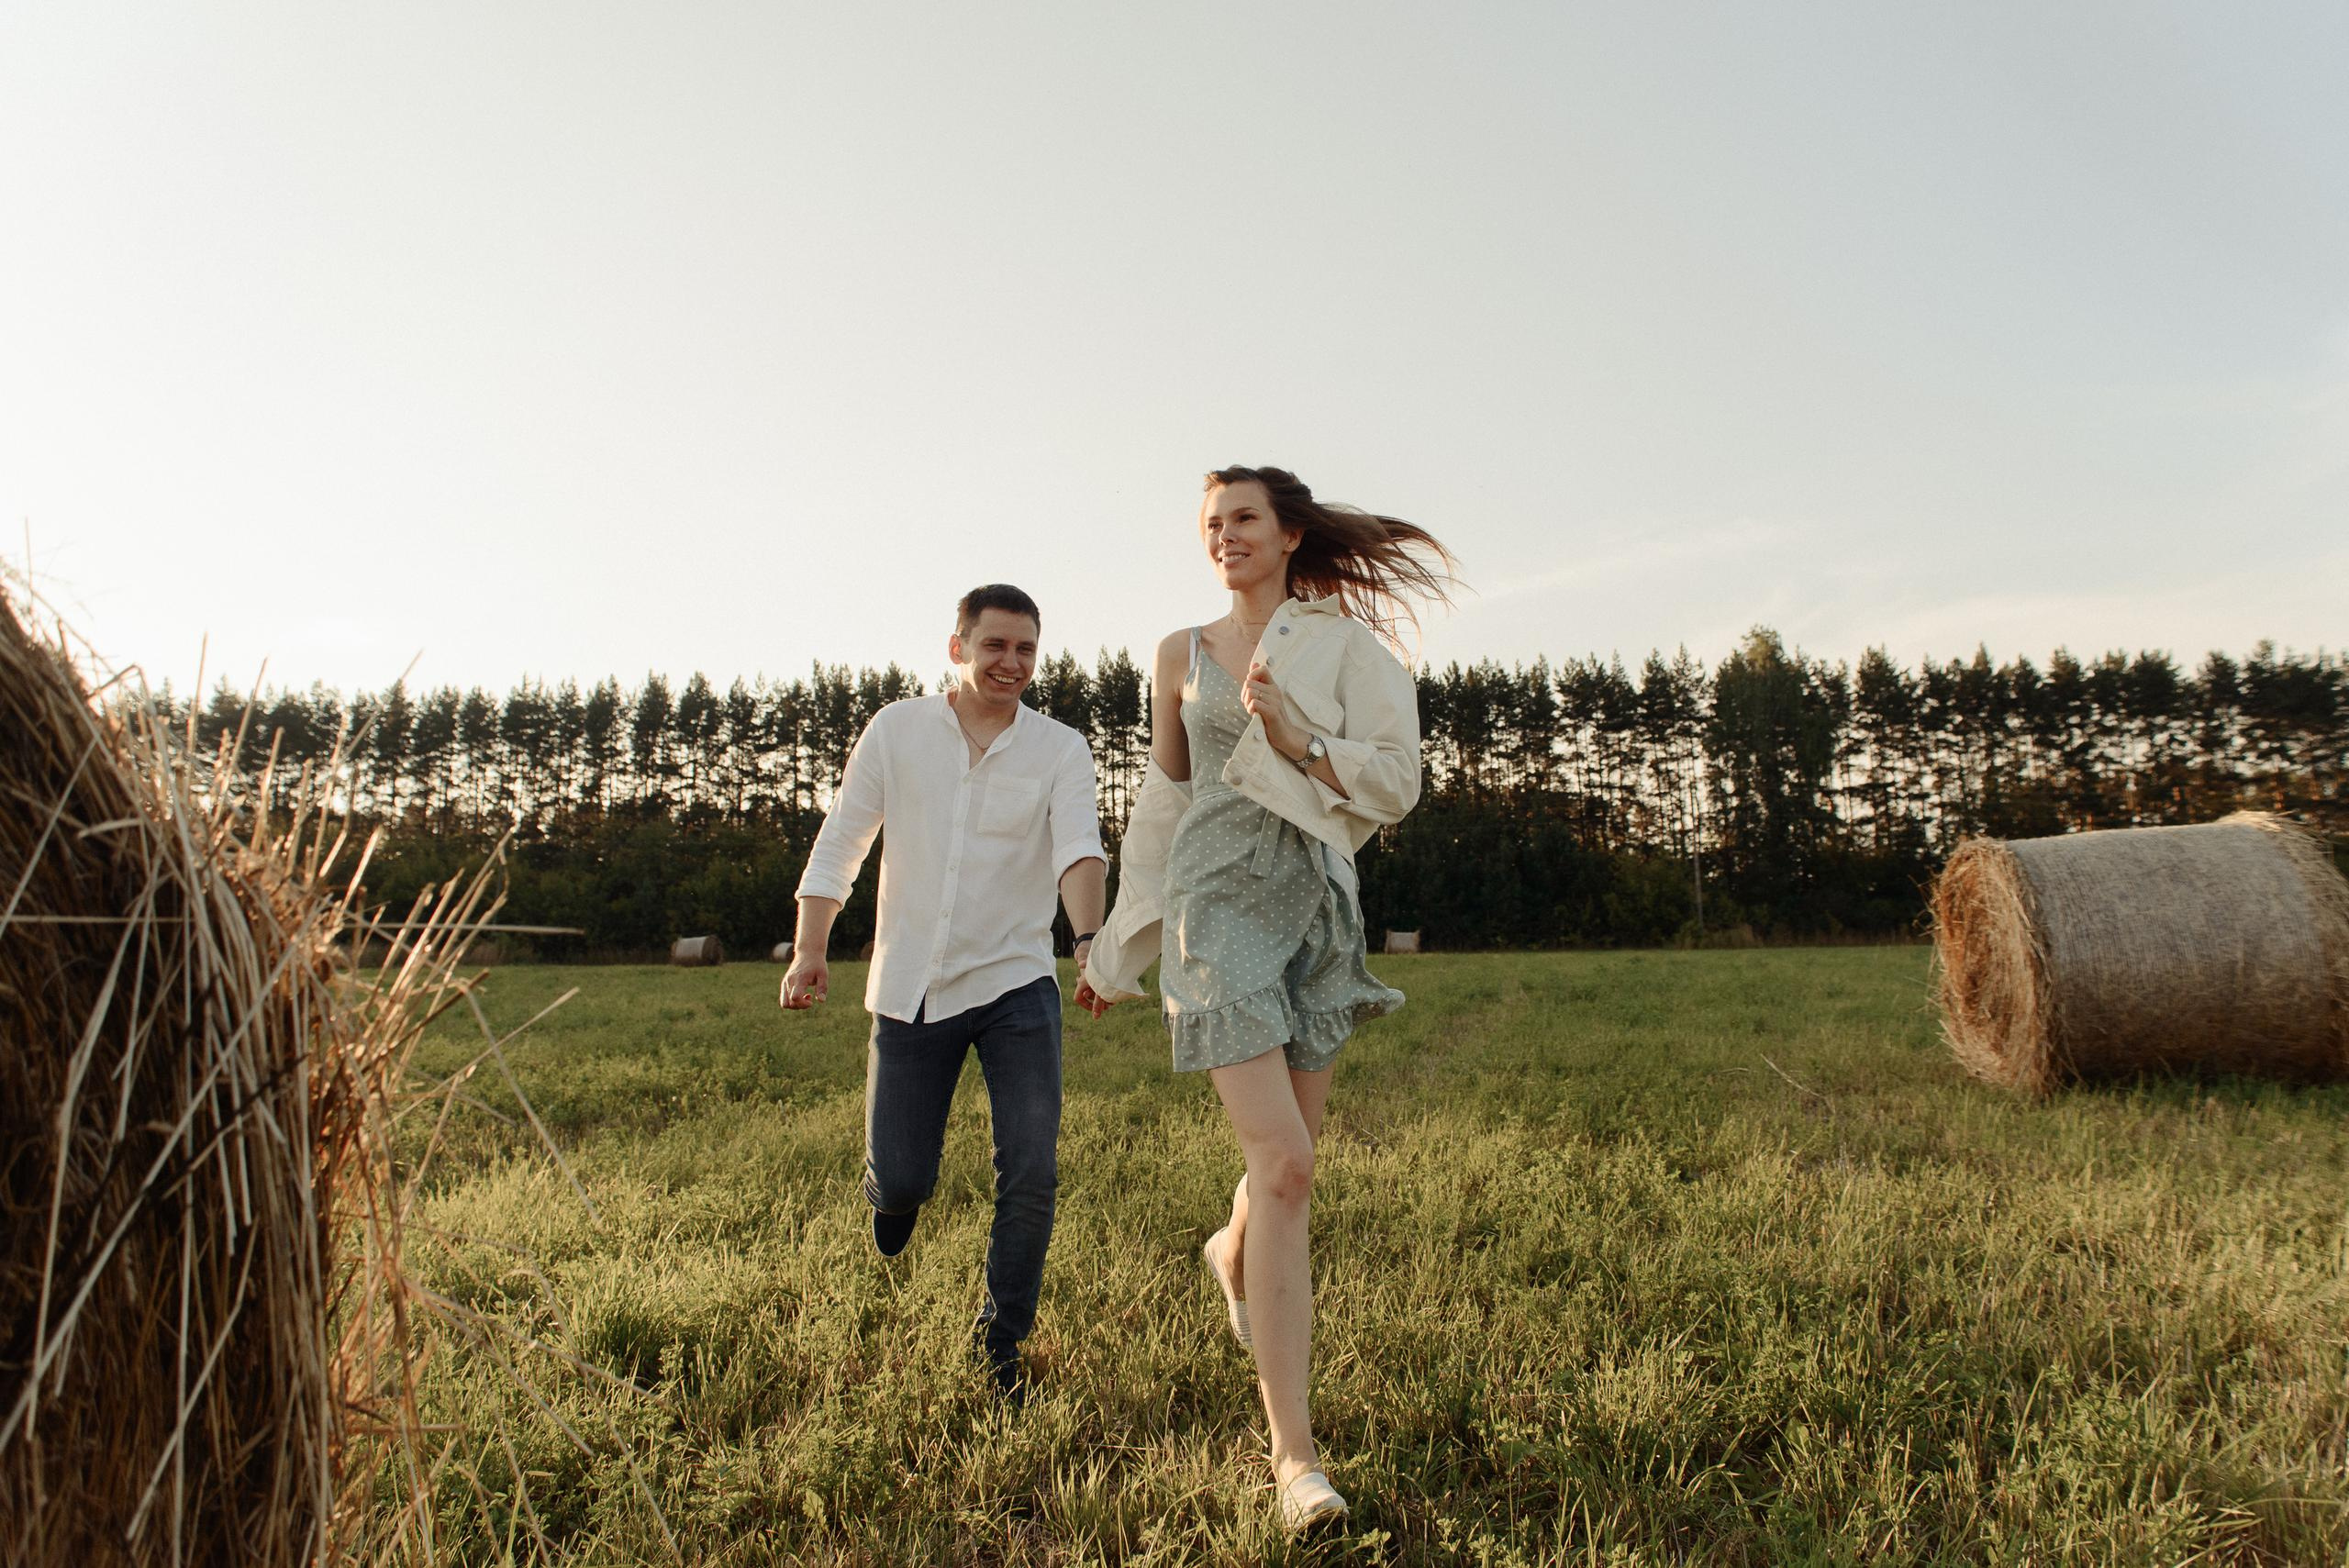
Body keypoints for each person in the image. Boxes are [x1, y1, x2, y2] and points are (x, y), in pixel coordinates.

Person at [1078, 466, 1453, 1531]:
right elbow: (1166, 798)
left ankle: (1231, 1249)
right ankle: (1296, 1461)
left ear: (1290, 534)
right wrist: (1115, 945)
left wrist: (1301, 738)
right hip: (1211, 906)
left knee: (1281, 1169)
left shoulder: (1344, 649)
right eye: (1211, 523)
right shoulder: (1176, 654)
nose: (1224, 535)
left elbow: (1397, 781)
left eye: (1243, 518)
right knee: (1284, 1164)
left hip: (1314, 906)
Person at [782, 584, 1106, 1404]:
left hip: (1016, 981)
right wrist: (810, 949)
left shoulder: (1061, 749)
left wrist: (1092, 941)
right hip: (911, 983)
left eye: (1027, 649)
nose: (1013, 663)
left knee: (1030, 1168)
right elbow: (843, 841)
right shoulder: (897, 730)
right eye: (996, 645)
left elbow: (1079, 849)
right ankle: (892, 1195)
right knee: (903, 1180)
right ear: (956, 647)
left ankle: (999, 1345)